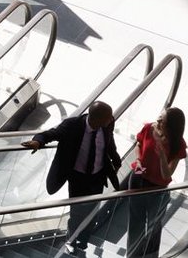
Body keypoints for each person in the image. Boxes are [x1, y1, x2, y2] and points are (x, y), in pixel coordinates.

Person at [22, 101, 122, 257]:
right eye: (108, 118)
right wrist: (37, 142)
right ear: (96, 119)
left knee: (92, 213)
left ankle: (83, 241)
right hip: (78, 177)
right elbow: (49, 134)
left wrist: (116, 162)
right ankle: (71, 241)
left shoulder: (107, 125)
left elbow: (110, 145)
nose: (111, 120)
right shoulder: (73, 125)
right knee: (76, 214)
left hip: (97, 176)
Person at [127, 107, 186, 258]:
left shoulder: (178, 144)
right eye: (159, 117)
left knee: (154, 225)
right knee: (135, 221)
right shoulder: (148, 128)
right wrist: (139, 160)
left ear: (171, 127)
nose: (158, 121)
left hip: (157, 188)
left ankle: (150, 256)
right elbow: (139, 145)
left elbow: (167, 175)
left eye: (163, 121)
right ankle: (132, 255)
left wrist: (161, 156)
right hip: (138, 178)